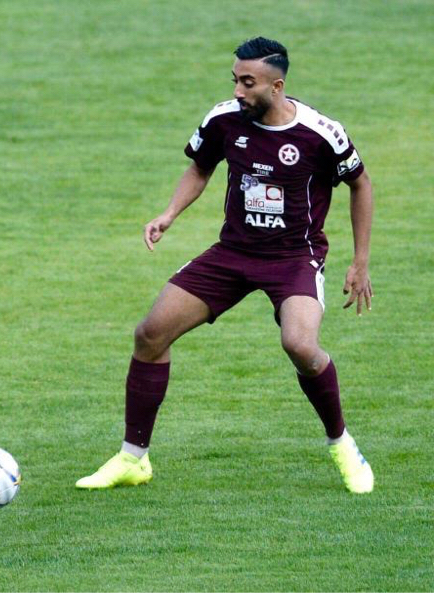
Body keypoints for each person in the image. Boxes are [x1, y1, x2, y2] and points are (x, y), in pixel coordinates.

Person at [76, 37, 375, 494]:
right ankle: (132, 458)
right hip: (233, 253)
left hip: (294, 258)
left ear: (277, 86)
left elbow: (361, 184)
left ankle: (341, 444)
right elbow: (200, 168)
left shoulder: (320, 133)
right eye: (235, 79)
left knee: (299, 344)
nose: (237, 90)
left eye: (247, 82)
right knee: (150, 333)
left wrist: (359, 262)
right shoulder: (223, 119)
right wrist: (169, 214)